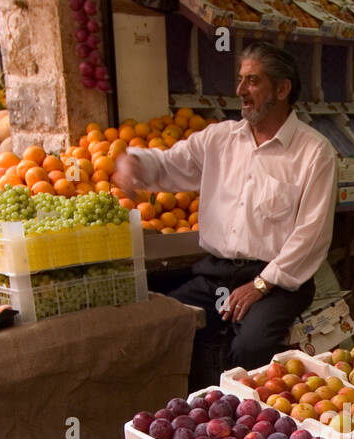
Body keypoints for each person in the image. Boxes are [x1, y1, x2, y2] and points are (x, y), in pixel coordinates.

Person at [113, 41, 338, 389]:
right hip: (214, 274)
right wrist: (134, 162)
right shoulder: (220, 139)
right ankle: (189, 410)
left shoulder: (314, 152)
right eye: (240, 80)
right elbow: (170, 165)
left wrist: (261, 285)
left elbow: (312, 234)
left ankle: (247, 424)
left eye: (252, 81)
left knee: (251, 347)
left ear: (282, 88)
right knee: (165, 323)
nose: (240, 91)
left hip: (276, 280)